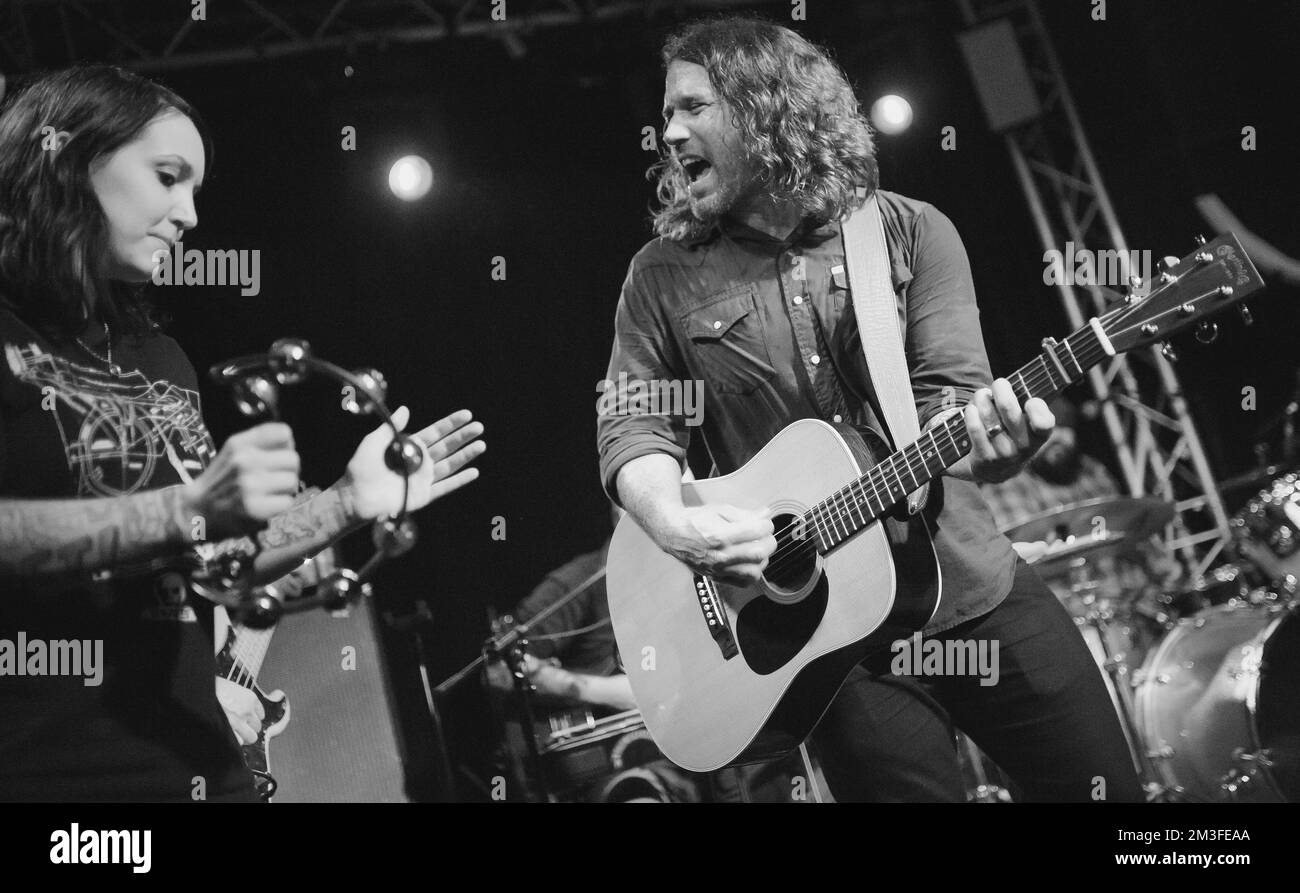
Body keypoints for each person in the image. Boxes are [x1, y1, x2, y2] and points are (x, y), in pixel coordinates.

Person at [596, 17, 1143, 802]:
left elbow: (951, 402)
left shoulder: (912, 232)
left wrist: (995, 448)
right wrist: (677, 527)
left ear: (765, 106)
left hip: (973, 588)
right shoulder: (659, 276)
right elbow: (633, 425)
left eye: (691, 107)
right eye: (667, 113)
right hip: (834, 647)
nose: (668, 132)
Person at [0, 65, 486, 802]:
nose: (189, 213)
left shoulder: (160, 358)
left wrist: (347, 502)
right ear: (68, 159)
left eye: (194, 186)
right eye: (168, 176)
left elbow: (214, 562)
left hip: (198, 764)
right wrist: (184, 506)